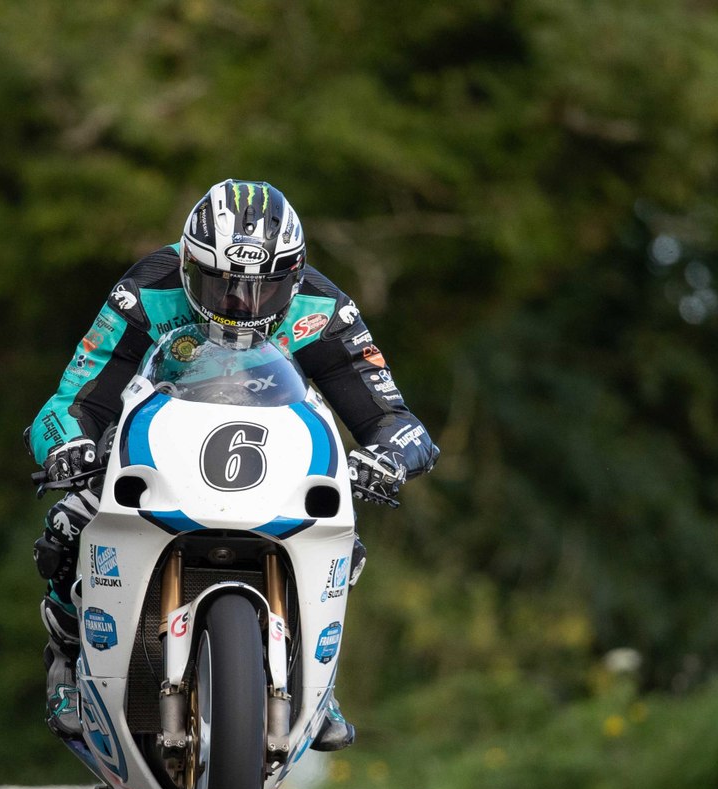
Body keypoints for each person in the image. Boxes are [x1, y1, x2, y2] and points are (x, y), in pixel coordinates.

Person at [26, 179, 439, 750]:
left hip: (274, 460)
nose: (240, 305)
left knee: (343, 541)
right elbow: (73, 397)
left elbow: (394, 416)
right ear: (189, 263)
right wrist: (70, 444)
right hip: (160, 450)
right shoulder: (146, 288)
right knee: (71, 520)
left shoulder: (326, 308)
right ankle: (69, 659)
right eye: (219, 284)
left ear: (293, 278)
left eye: (262, 291)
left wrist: (389, 455)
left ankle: (315, 679)